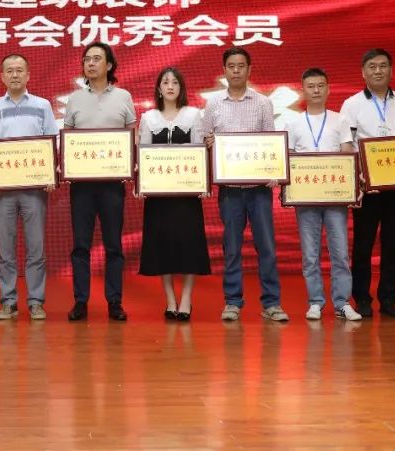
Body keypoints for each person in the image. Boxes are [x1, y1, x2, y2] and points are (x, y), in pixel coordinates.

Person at [200, 46, 288, 322]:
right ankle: (232, 301)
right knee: (232, 248)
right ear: (224, 70)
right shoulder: (213, 104)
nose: (236, 70)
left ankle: (272, 303)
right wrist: (209, 143)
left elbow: (270, 143)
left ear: (249, 70)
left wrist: (274, 170)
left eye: (241, 66)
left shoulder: (262, 103)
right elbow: (204, 141)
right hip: (229, 191)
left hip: (259, 190)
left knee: (266, 247)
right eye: (231, 66)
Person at [339, 48, 395, 319]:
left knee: (392, 243)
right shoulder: (351, 104)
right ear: (363, 72)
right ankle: (362, 298)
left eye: (383, 66)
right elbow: (347, 145)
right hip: (367, 187)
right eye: (372, 66)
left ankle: (388, 299)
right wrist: (357, 177)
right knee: (363, 245)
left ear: (391, 70)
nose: (378, 71)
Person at [0, 53, 59, 321]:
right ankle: (8, 301)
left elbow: (51, 142)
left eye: (19, 70)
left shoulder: (42, 105)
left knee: (36, 249)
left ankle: (36, 301)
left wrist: (49, 175)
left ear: (28, 75)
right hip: (2, 192)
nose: (14, 75)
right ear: (2, 76)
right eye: (9, 70)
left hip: (34, 190)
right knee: (5, 251)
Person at [63, 42, 137, 322]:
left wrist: (131, 164)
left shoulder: (123, 96)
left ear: (109, 65)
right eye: (87, 59)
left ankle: (114, 302)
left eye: (96, 59)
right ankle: (80, 301)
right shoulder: (74, 99)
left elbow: (132, 135)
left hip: (112, 184)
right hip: (81, 185)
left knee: (113, 245)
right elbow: (67, 137)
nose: (90, 63)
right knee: (81, 245)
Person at [284, 68, 362, 322]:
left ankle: (342, 302)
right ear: (303, 91)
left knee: (340, 252)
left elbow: (348, 155)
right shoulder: (293, 123)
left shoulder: (340, 120)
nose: (316, 90)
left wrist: (352, 188)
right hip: (306, 197)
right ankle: (315, 301)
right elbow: (288, 159)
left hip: (335, 196)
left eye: (320, 85)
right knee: (310, 254)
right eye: (311, 86)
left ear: (328, 89)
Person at [136, 67, 211, 321]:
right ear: (159, 88)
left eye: (175, 82)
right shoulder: (148, 117)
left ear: (181, 88)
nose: (170, 86)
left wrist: (203, 184)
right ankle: (170, 300)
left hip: (186, 195)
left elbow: (199, 153)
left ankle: (186, 299)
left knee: (189, 245)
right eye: (165, 82)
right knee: (161, 246)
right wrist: (140, 185)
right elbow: (142, 155)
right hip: (158, 197)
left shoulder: (193, 115)